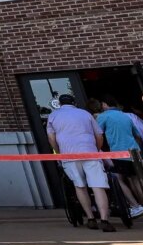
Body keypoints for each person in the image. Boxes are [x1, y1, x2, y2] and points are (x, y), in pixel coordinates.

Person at [43, 94, 114, 231]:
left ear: (60, 103)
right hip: (90, 151)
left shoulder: (53, 116)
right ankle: (105, 219)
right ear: (74, 102)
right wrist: (96, 149)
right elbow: (99, 135)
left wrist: (59, 151)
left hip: (69, 154)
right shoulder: (85, 114)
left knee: (79, 186)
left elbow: (51, 138)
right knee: (98, 186)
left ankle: (90, 218)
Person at [92, 96, 143, 220]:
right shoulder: (126, 116)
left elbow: (97, 134)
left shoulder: (104, 116)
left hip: (118, 152)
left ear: (104, 104)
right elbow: (138, 136)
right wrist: (139, 151)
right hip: (134, 151)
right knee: (137, 180)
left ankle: (135, 206)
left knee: (118, 179)